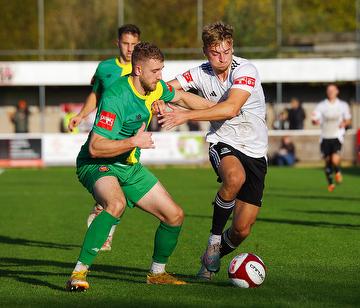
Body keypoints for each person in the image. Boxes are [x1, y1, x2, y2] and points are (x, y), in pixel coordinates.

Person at [66, 42, 214, 291]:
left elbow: (183, 97)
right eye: (155, 71)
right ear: (137, 70)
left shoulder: (155, 88)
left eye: (161, 70)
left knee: (174, 216)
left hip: (127, 165)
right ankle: (78, 274)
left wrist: (225, 109)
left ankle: (157, 273)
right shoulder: (116, 97)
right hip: (97, 164)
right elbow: (95, 146)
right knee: (116, 205)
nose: (160, 77)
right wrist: (134, 141)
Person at [157, 21, 268, 281]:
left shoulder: (245, 70)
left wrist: (185, 115)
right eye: (216, 52)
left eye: (227, 51)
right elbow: (165, 87)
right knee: (234, 178)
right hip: (223, 141)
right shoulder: (199, 72)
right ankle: (214, 242)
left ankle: (210, 260)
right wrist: (158, 99)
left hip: (255, 150)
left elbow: (230, 109)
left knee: (242, 229)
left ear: (232, 48)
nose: (222, 58)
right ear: (206, 51)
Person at [69, 24, 141, 251]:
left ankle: (100, 211)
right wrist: (81, 115)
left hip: (133, 137)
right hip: (108, 135)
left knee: (124, 188)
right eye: (126, 43)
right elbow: (96, 94)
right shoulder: (105, 68)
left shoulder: (143, 68)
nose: (130, 49)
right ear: (117, 43)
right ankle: (106, 232)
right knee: (115, 187)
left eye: (134, 44)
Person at [312, 84, 351, 192]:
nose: (330, 92)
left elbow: (348, 119)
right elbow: (314, 118)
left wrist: (344, 123)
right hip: (325, 136)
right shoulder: (321, 105)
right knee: (328, 160)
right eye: (329, 90)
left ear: (337, 91)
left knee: (334, 158)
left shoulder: (343, 105)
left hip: (336, 135)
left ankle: (338, 171)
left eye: (332, 90)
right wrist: (315, 121)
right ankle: (330, 183)